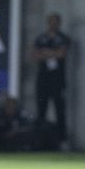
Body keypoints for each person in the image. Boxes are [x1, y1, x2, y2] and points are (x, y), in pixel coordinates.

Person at [33, 13, 70, 149]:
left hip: (58, 80)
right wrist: (52, 53)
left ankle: (62, 141)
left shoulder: (63, 38)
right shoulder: (41, 38)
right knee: (41, 110)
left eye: (55, 22)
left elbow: (62, 53)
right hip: (43, 79)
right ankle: (39, 142)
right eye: (50, 22)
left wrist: (46, 53)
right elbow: (35, 54)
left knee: (60, 110)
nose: (52, 24)